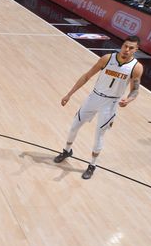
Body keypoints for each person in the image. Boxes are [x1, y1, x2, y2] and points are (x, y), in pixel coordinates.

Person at [53, 36, 144, 180]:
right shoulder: (107, 58)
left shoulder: (136, 67)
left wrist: (129, 99)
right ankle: (67, 151)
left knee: (98, 135)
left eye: (131, 48)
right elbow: (86, 76)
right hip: (94, 97)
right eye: (125, 46)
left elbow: (135, 90)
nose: (126, 50)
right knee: (74, 126)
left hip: (110, 104)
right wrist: (69, 94)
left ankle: (92, 165)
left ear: (136, 50)